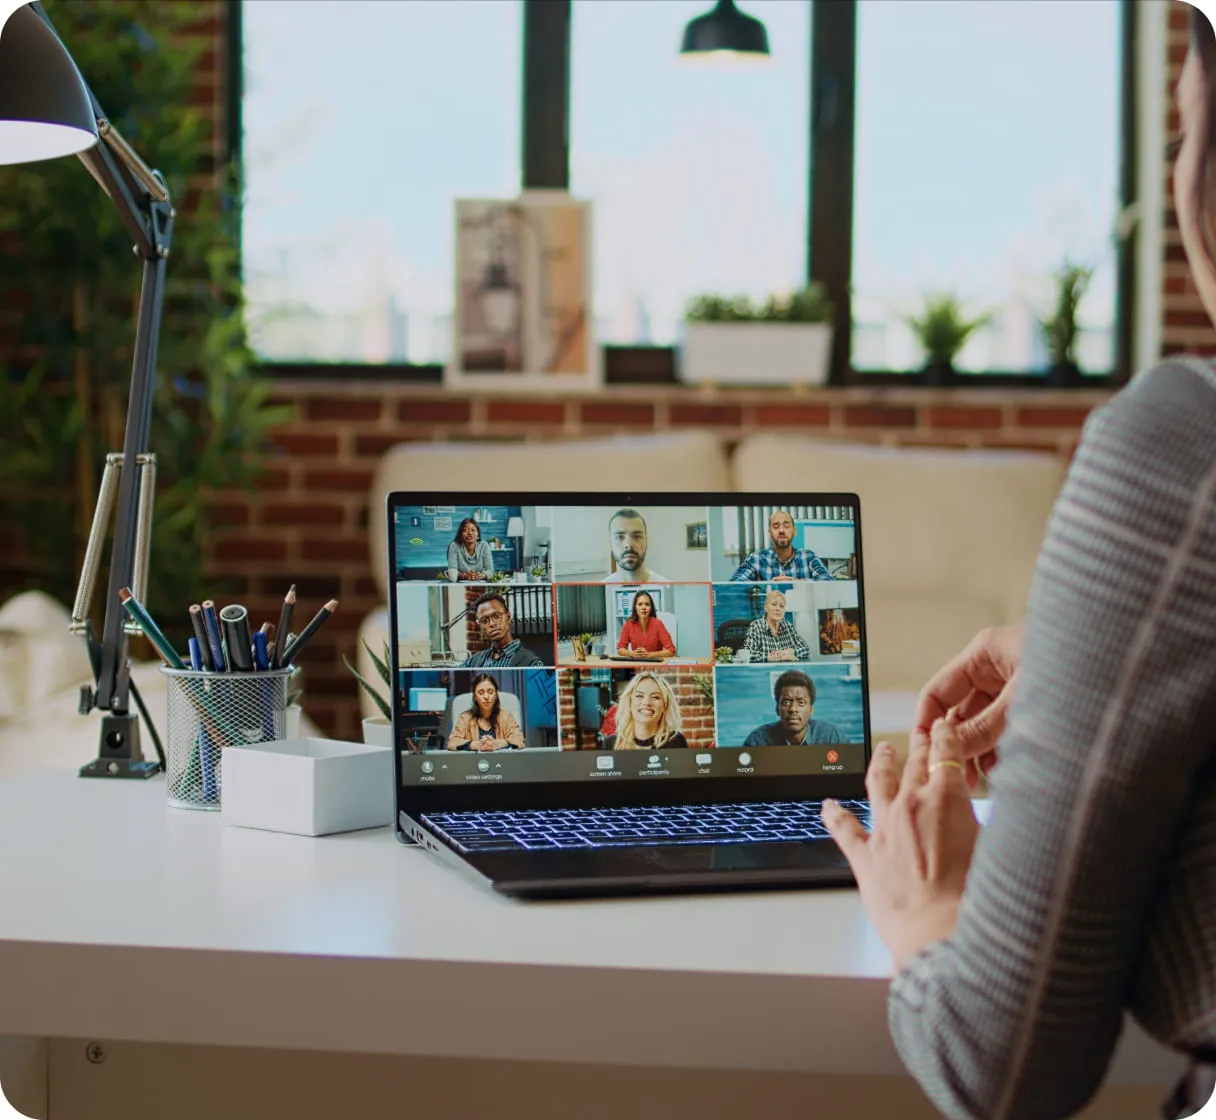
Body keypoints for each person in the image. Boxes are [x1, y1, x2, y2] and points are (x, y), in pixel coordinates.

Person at [822, 13, 1216, 1118]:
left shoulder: (1183, 439)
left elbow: (1000, 1064)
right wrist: (1097, 663)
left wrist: (924, 909)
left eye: (1184, 131)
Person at [742, 669, 842, 746]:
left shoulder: (832, 738)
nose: (793, 709)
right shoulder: (758, 741)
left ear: (811, 709)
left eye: (801, 702)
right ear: (777, 708)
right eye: (786, 702)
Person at [731, 510, 833, 582]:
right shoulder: (757, 559)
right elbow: (735, 584)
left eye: (786, 526)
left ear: (794, 531)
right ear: (769, 533)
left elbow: (829, 582)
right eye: (776, 526)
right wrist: (768, 587)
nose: (781, 530)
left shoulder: (808, 557)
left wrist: (797, 583)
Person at [602, 672, 688, 750]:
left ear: (665, 706)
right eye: (639, 696)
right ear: (629, 703)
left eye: (655, 697)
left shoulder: (675, 741)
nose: (646, 703)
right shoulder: (610, 744)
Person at [460, 591, 544, 668]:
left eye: (496, 616)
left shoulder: (531, 664)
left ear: (508, 617)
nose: (492, 624)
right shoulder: (472, 663)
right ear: (480, 626)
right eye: (484, 621)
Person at [446, 673, 525, 751]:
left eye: (490, 692)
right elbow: (452, 742)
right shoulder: (464, 718)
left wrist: (498, 744)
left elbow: (519, 739)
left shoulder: (507, 716)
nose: (486, 697)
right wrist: (473, 745)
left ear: (496, 695)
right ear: (475, 697)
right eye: (481, 693)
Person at [743, 587, 811, 663]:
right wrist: (769, 657)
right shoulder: (756, 626)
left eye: (782, 606)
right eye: (774, 604)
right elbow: (748, 655)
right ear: (766, 607)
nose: (778, 609)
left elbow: (805, 648)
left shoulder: (788, 625)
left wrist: (790, 652)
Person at [604, 508, 669, 583]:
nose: (629, 544)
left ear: (646, 541)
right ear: (610, 543)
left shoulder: (668, 587)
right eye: (619, 537)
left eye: (637, 536)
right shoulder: (602, 589)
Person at [615, 590, 676, 660]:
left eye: (647, 604)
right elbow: (620, 649)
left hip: (654, 665)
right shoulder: (629, 623)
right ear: (635, 607)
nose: (643, 607)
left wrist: (649, 655)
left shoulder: (658, 624)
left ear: (651, 608)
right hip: (637, 665)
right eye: (640, 604)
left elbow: (671, 651)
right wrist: (632, 654)